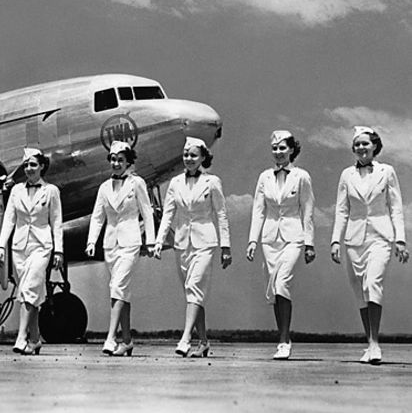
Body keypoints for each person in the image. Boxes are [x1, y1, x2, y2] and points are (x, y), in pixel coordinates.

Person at [330, 126, 408, 364]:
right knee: (361, 292)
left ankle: (375, 344)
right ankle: (369, 343)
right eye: (357, 144)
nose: (361, 148)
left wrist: (401, 240)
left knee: (373, 282)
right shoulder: (346, 175)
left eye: (365, 143)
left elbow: (395, 207)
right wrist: (335, 241)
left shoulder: (387, 171)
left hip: (381, 236)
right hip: (354, 239)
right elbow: (342, 210)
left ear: (375, 146)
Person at [153, 137, 231, 358]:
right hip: (181, 242)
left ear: (203, 158)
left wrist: (226, 246)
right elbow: (168, 214)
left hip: (205, 241)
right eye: (186, 155)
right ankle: (204, 342)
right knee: (191, 291)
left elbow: (221, 214)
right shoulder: (175, 183)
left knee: (195, 286)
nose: (189, 159)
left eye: (193, 155)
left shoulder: (212, 182)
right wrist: (159, 241)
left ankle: (185, 338)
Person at [246, 130, 315, 360]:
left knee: (283, 281)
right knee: (274, 289)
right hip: (269, 238)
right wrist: (253, 241)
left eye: (282, 148)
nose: (278, 153)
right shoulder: (264, 177)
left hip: (294, 237)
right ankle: (281, 337)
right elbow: (258, 210)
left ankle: (285, 340)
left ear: (292, 150)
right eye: (274, 149)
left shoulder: (302, 176)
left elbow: (307, 210)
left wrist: (309, 243)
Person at [86, 141, 155, 357]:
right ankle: (127, 341)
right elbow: (98, 217)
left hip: (131, 241)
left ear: (128, 162)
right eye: (113, 159)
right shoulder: (104, 187)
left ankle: (110, 338)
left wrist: (151, 241)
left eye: (120, 160)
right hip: (110, 244)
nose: (116, 163)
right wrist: (91, 241)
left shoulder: (137, 183)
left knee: (116, 286)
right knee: (121, 290)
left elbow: (147, 212)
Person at [0, 148, 64, 355]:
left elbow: (57, 222)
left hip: (42, 246)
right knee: (32, 292)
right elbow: (9, 219)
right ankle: (35, 339)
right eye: (26, 165)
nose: (29, 169)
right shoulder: (16, 190)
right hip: (19, 247)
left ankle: (21, 337)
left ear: (42, 166)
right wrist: (1, 246)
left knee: (28, 289)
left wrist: (59, 251)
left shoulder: (51, 191)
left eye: (33, 165)